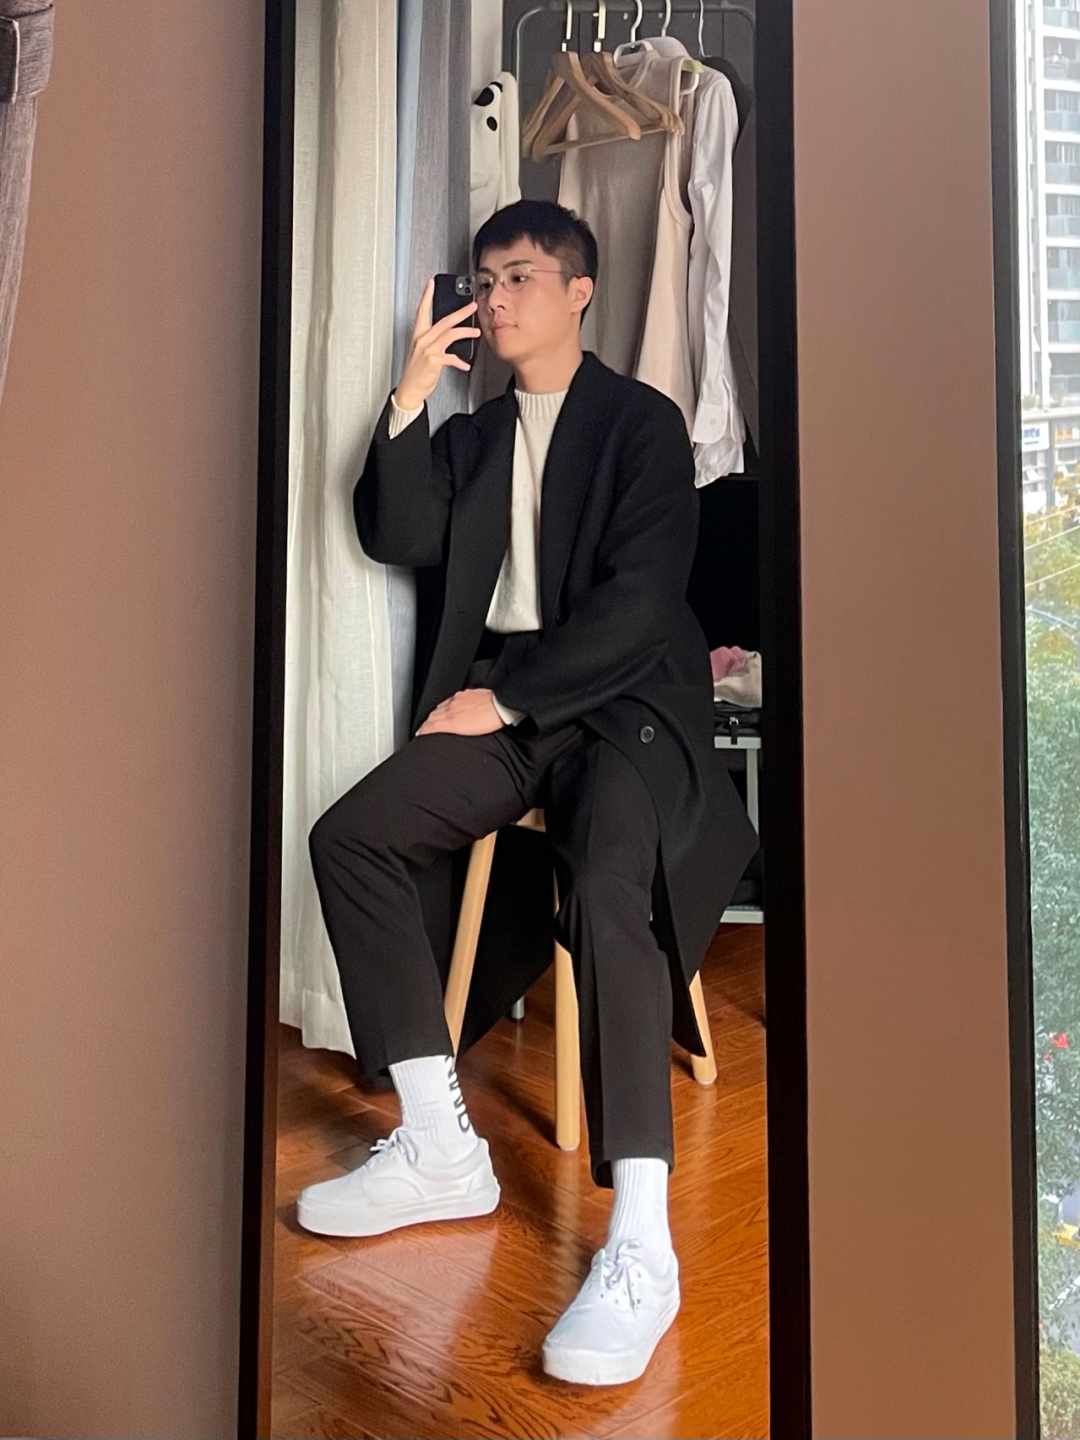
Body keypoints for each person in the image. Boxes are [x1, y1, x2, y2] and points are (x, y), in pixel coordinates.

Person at [299, 199, 759, 1386]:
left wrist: (503, 699)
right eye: (485, 280)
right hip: (511, 712)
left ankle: (643, 1243)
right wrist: (409, 397)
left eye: (519, 278)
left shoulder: (642, 423)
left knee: (608, 887)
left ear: (577, 292)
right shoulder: (477, 436)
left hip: (621, 709)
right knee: (350, 836)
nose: (496, 299)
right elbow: (395, 532)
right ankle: (439, 1148)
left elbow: (641, 603)